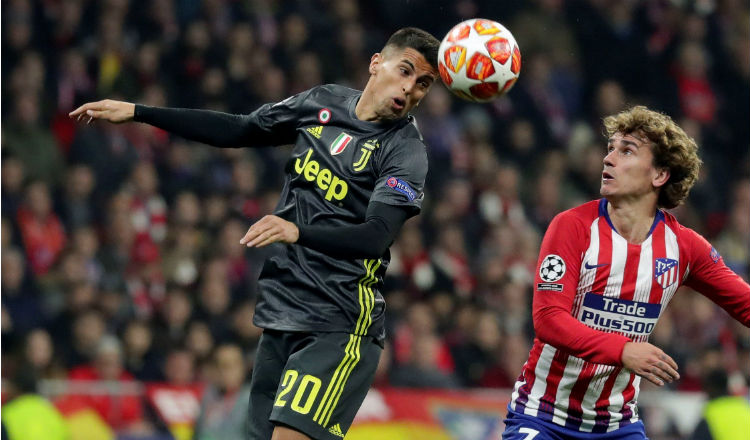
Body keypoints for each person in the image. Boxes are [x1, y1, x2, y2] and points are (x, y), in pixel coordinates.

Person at [70, 27, 440, 440]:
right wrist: (139, 112)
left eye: (422, 83)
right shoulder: (323, 101)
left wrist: (297, 231)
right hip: (283, 310)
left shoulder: (406, 152)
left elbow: (375, 236)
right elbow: (239, 129)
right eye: (405, 71)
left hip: (340, 323)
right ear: (377, 63)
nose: (410, 88)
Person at [502, 106, 750, 440]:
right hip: (542, 416)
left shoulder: (684, 247)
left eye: (626, 151)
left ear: (659, 175)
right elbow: (548, 319)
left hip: (616, 426)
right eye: (611, 149)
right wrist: (622, 350)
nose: (608, 159)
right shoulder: (572, 227)